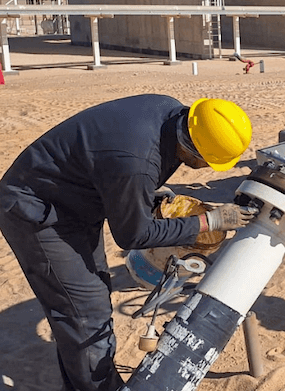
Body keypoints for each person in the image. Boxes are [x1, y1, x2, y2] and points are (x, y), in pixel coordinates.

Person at [0, 94, 259, 391]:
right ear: (192, 145)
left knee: (89, 298)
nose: (201, 167)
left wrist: (147, 194)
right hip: (37, 212)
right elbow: (132, 236)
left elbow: (117, 165)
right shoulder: (137, 161)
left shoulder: (168, 113)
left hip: (74, 202)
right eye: (206, 161)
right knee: (86, 315)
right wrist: (208, 222)